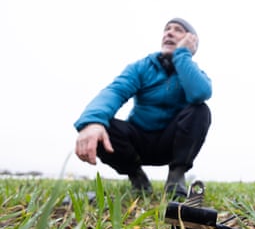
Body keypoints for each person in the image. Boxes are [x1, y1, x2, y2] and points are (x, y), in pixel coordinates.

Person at [74, 18, 212, 197]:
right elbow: (115, 91)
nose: (169, 32)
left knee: (200, 110)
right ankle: (137, 178)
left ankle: (176, 177)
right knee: (103, 126)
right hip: (138, 142)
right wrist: (93, 122)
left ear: (191, 41)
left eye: (178, 30)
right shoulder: (142, 67)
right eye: (166, 29)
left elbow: (200, 93)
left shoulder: (193, 72)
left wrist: (183, 56)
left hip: (171, 143)